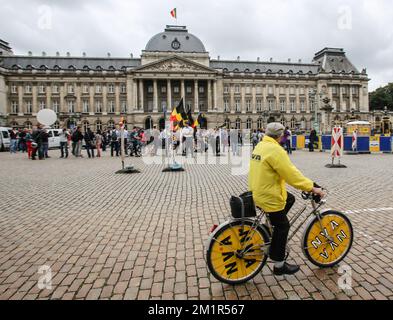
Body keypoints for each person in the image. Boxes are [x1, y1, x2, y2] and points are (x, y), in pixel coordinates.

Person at [249, 122, 325, 276]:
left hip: (258, 190)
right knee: (283, 226)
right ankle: (279, 264)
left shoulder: (260, 146)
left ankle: (270, 226)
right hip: (269, 196)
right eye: (283, 135)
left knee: (289, 199)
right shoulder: (276, 150)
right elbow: (291, 175)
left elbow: (288, 171)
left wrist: (308, 183)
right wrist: (312, 187)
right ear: (280, 136)